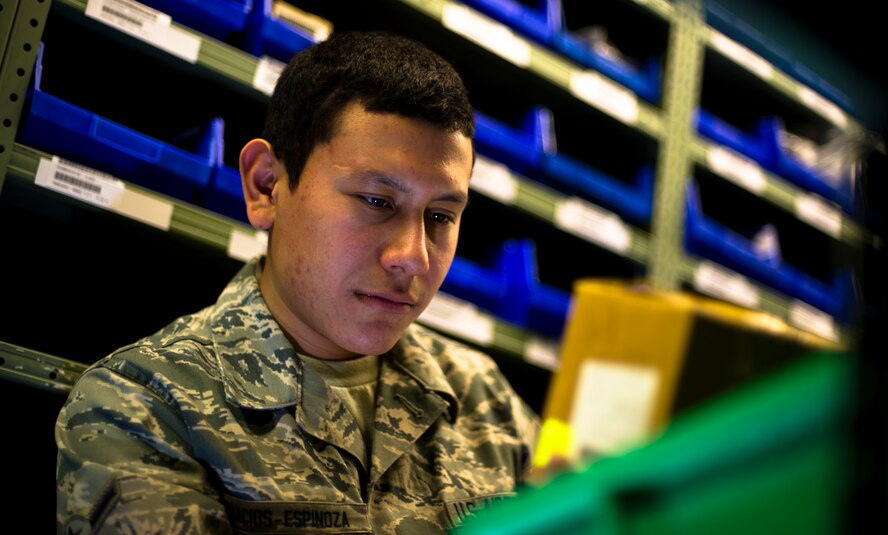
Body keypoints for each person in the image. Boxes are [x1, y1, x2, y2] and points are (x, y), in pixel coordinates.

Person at [56, 30, 540, 534]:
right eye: (377, 202)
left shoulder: (484, 398)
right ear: (266, 185)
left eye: (440, 216)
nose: (413, 258)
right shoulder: (145, 408)